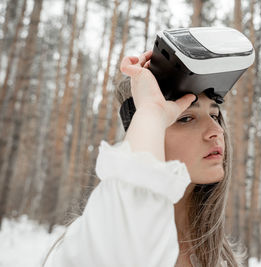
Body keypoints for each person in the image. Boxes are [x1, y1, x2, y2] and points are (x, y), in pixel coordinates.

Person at [43, 50, 246, 267]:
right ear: (148, 130)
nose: (216, 131)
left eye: (214, 116)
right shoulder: (99, 239)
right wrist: (152, 110)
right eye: (186, 118)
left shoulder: (222, 260)